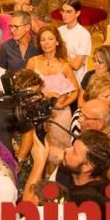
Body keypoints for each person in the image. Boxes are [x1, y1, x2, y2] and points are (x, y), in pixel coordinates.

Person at [24, 25, 79, 162]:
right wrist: (42, 97)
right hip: (38, 111)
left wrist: (64, 103)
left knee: (61, 149)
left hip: (60, 113)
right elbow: (24, 87)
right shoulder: (32, 62)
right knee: (41, 147)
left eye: (50, 39)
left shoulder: (65, 65)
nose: (46, 43)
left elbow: (76, 89)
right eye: (43, 39)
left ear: (57, 42)